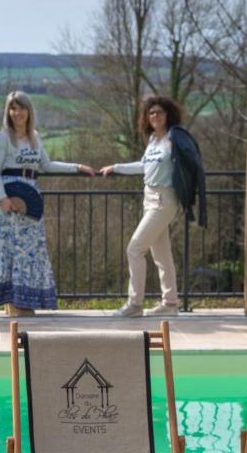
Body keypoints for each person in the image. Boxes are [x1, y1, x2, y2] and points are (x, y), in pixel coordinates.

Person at [0, 91, 94, 316]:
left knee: (31, 252)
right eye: (13, 108)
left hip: (31, 200)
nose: (17, 112)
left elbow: (46, 165)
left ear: (29, 110)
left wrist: (76, 167)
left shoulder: (35, 136)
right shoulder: (4, 136)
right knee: (12, 249)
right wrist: (2, 198)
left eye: (21, 108)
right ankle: (15, 304)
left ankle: (21, 302)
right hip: (10, 200)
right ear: (8, 111)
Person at [101, 96, 207, 317]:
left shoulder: (174, 138)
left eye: (159, 112)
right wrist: (116, 167)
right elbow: (143, 166)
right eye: (151, 113)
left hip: (164, 200)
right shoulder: (152, 141)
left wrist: (189, 191)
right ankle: (170, 304)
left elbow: (193, 162)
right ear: (146, 118)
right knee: (162, 254)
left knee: (135, 248)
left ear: (168, 114)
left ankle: (135, 304)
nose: (155, 116)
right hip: (148, 198)